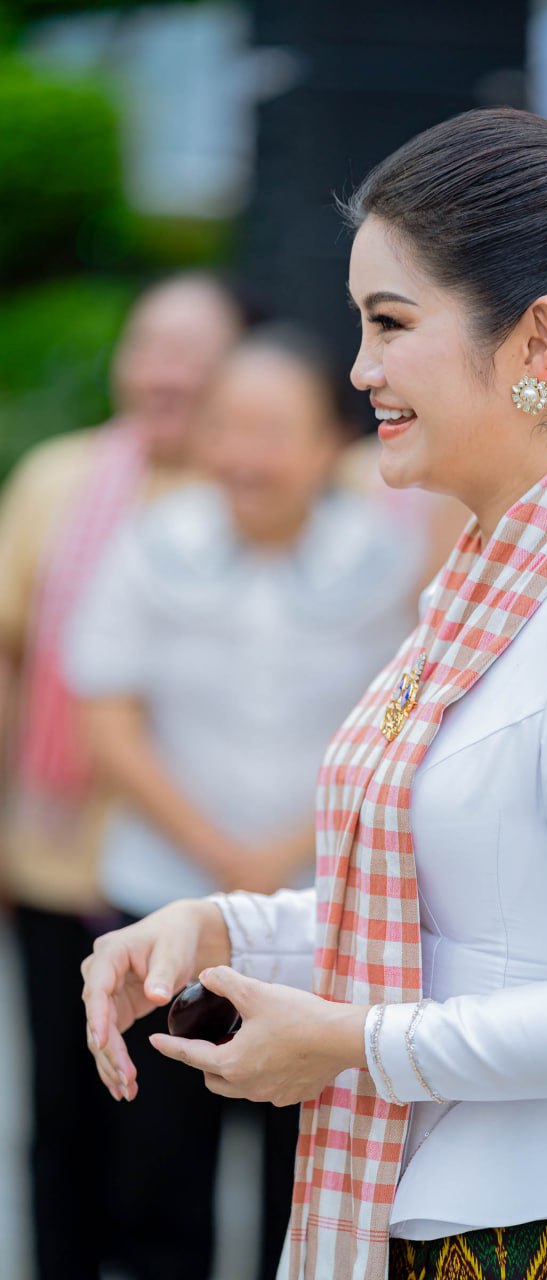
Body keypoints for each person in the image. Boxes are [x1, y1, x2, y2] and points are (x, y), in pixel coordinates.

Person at [81, 108, 547, 1280]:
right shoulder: (489, 587)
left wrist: (354, 1040)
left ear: (535, 339)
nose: (360, 369)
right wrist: (226, 927)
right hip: (440, 1208)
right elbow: (451, 923)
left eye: (390, 323)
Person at [64, 325, 425, 1280]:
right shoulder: (152, 544)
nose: (241, 455)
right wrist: (216, 848)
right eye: (224, 426)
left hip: (317, 919)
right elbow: (106, 712)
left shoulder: (386, 561)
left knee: (300, 1172)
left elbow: (405, 723)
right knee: (156, 1176)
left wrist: (287, 849)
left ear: (329, 441)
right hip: (165, 904)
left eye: (271, 431)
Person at [0, 272, 243, 1280]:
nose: (164, 372)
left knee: (171, 1133)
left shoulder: (247, 493)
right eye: (149, 346)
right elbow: (10, 651)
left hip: (189, 877)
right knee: (60, 1115)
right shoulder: (57, 478)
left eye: (193, 353)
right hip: (56, 855)